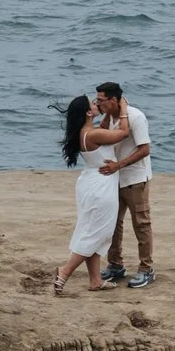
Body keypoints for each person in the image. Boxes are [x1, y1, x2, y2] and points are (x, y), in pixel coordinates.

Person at [53, 95, 131, 293]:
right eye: (94, 104)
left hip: (90, 183)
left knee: (92, 230)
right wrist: (122, 109)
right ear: (88, 112)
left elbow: (103, 128)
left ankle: (95, 280)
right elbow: (123, 133)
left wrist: (107, 113)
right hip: (100, 187)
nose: (97, 104)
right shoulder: (92, 134)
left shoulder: (87, 132)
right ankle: (65, 271)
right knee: (99, 232)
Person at [93, 81, 154, 287]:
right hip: (115, 179)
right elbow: (101, 136)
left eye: (101, 101)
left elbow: (145, 149)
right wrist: (107, 114)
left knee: (141, 224)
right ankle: (115, 265)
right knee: (113, 223)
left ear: (113, 99)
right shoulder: (109, 117)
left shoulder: (136, 117)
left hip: (135, 179)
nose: (98, 104)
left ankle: (146, 268)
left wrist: (119, 165)